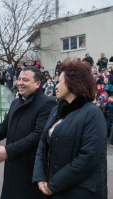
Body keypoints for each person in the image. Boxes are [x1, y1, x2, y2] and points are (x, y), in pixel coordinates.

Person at [0, 67, 57, 199]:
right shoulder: (16, 102)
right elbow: (5, 127)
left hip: (31, 170)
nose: (20, 82)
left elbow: (38, 136)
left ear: (37, 84)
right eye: (19, 79)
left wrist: (8, 151)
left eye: (25, 80)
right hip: (12, 168)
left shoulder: (47, 104)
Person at [33, 59, 107, 198]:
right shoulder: (56, 110)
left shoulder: (92, 114)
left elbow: (87, 158)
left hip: (80, 192)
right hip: (54, 189)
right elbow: (42, 145)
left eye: (60, 81)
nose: (56, 85)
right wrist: (40, 177)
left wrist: (54, 184)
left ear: (74, 83)